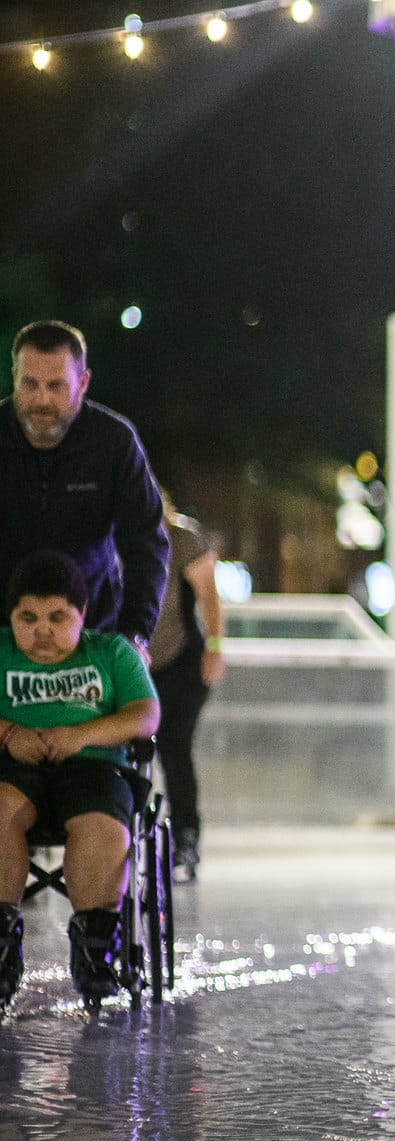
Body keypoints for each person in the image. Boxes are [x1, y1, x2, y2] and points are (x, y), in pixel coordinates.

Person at [0, 551, 161, 1012]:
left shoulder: (112, 653)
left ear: (82, 613)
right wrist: (9, 734)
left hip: (94, 768)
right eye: (28, 618)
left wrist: (81, 735)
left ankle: (95, 947)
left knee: (101, 828)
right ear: (11, 616)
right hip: (13, 769)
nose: (42, 631)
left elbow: (145, 714)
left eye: (57, 617)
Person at [1, 322, 170, 653]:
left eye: (56, 386)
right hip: (3, 635)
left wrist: (136, 632)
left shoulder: (114, 443)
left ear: (83, 383)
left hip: (92, 635)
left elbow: (146, 542)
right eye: (30, 384)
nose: (42, 399)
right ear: (14, 377)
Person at [147, 493, 226, 881]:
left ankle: (186, 839)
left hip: (180, 660)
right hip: (131, 662)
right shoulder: (113, 536)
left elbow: (209, 594)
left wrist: (215, 646)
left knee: (175, 747)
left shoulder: (181, 539)